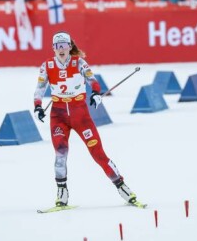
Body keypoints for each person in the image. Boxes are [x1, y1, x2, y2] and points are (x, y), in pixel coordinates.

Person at [33, 31, 143, 209]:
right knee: (60, 154)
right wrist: (38, 106)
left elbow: (92, 80)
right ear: (53, 48)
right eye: (57, 46)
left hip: (80, 115)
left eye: (64, 45)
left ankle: (123, 187)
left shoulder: (78, 63)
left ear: (70, 47)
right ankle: (62, 193)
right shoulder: (47, 66)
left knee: (98, 154)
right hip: (58, 115)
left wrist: (97, 94)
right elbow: (39, 88)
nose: (61, 49)